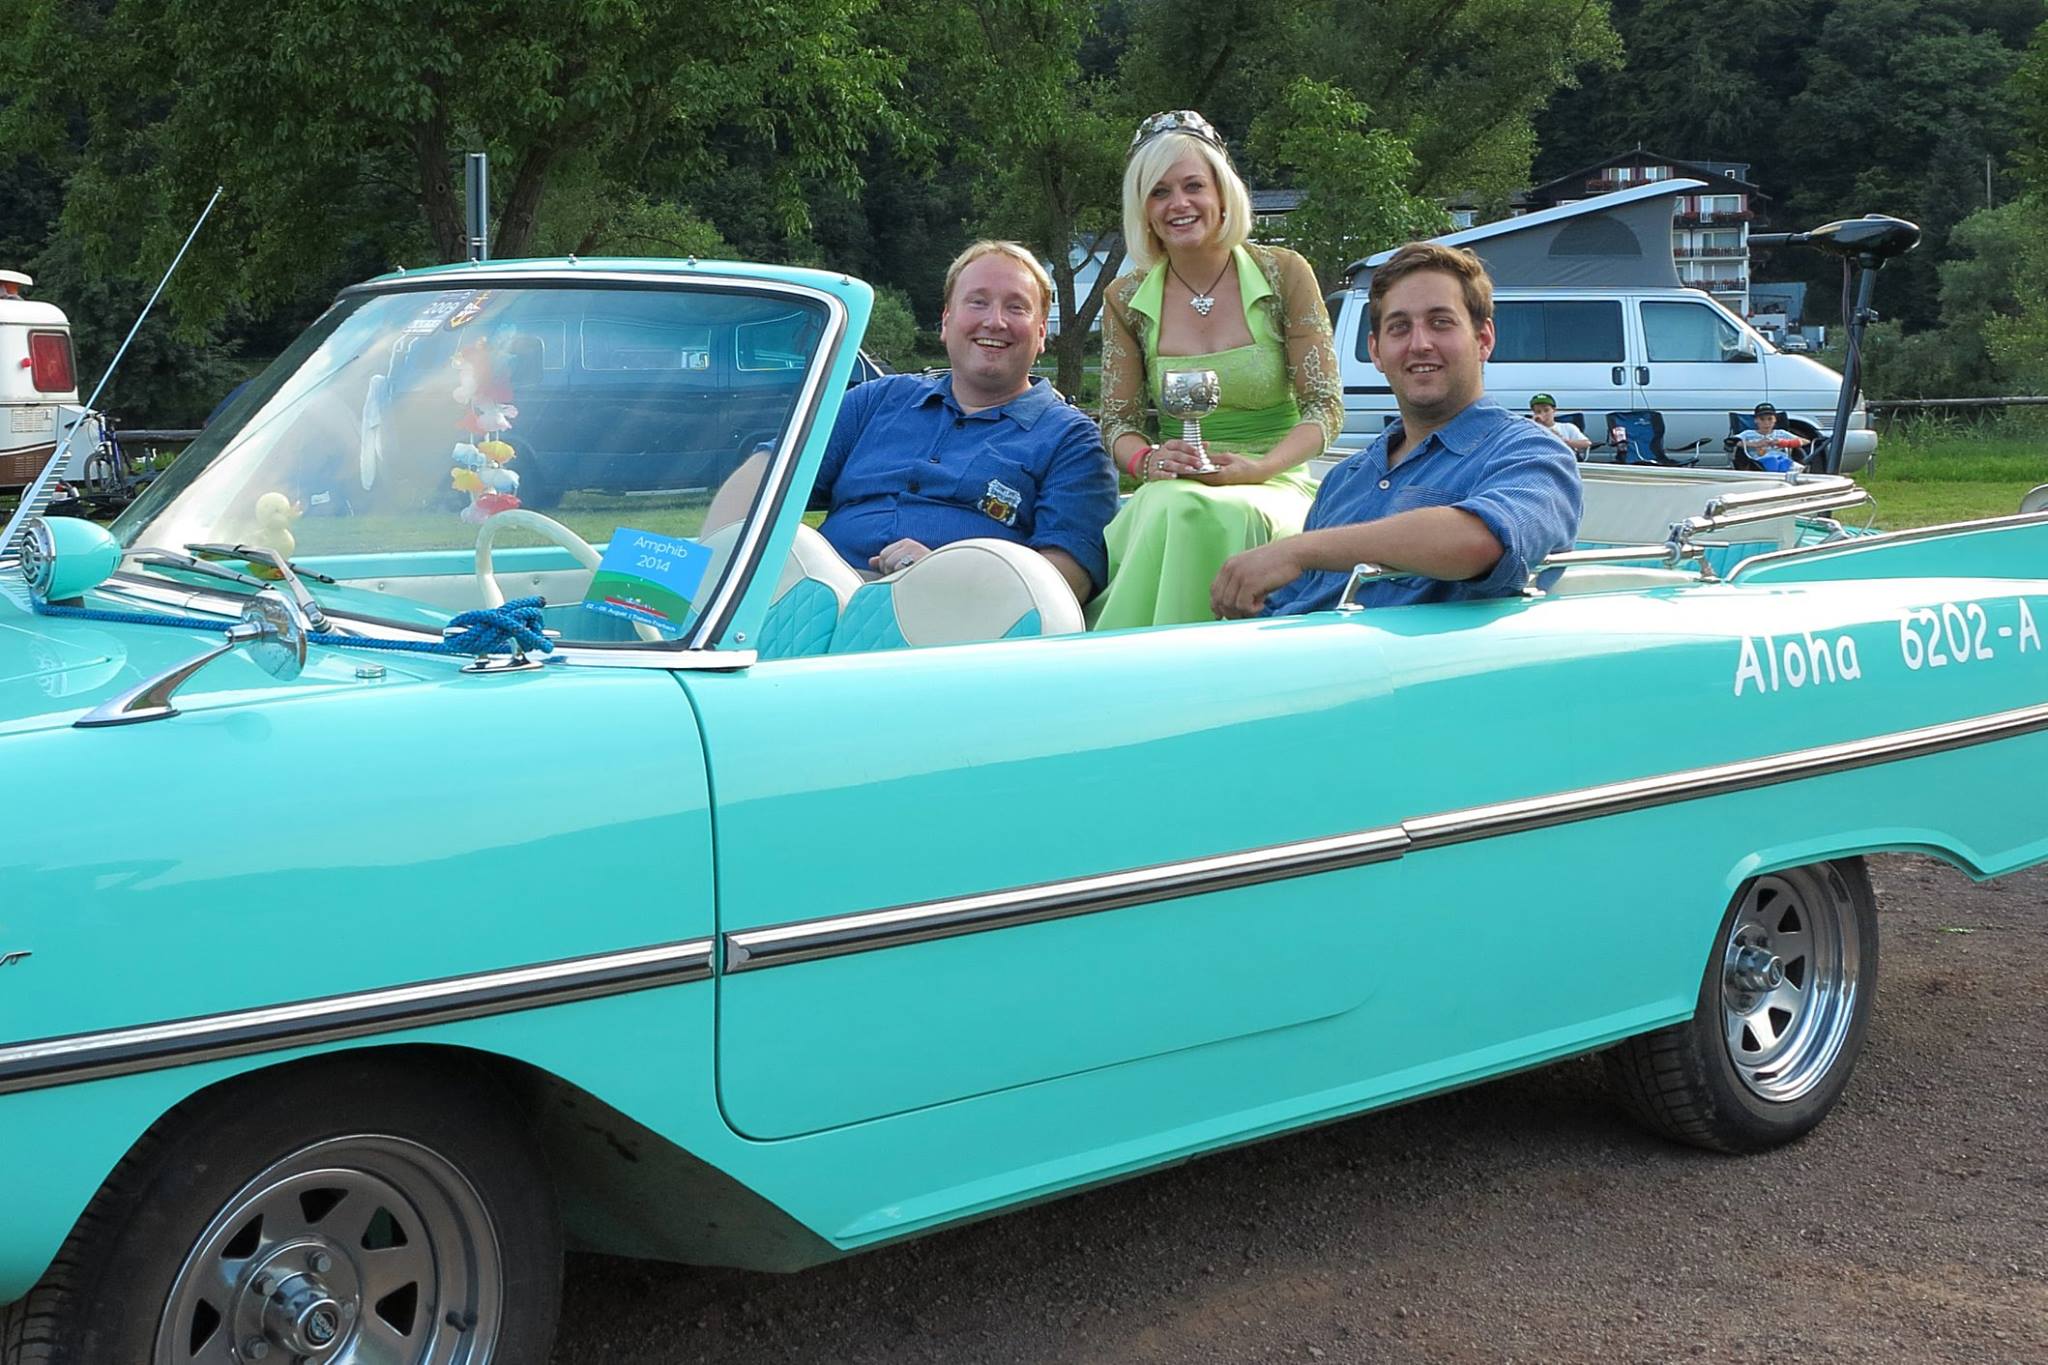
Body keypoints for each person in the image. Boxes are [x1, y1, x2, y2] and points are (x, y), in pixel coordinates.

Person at [1211, 243, 1581, 618]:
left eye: (1441, 322)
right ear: (1376, 351)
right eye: (1399, 328)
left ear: (1483, 339)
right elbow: (1286, 603)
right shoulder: (1345, 479)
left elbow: (1481, 542)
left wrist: (1296, 550)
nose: (1420, 344)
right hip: (1290, 661)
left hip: (1409, 672)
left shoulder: (1532, 453)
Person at [1088, 109, 1341, 629]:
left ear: (1223, 193)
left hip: (1275, 482)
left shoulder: (1285, 272)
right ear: (1143, 209)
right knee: (1171, 507)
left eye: (1192, 187)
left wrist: (1262, 467)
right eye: (1158, 192)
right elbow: (1117, 422)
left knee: (1228, 513)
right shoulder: (1125, 298)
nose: (1178, 205)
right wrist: (1148, 462)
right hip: (1173, 487)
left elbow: (1326, 407)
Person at [809, 241, 1118, 601]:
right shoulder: (876, 400)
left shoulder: (1072, 440)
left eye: (1016, 307)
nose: (995, 321)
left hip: (951, 624)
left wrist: (952, 577)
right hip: (815, 602)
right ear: (946, 322)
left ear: (1040, 336)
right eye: (978, 302)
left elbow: (1067, 579)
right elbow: (769, 475)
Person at [1731, 401, 1809, 471]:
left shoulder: (1781, 433)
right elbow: (1731, 442)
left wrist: (1783, 442)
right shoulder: (1748, 433)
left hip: (1782, 459)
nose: (1766, 423)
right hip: (1759, 462)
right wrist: (1755, 444)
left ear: (1775, 420)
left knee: (1785, 462)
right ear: (1755, 420)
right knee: (1773, 460)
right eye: (1762, 419)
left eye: (1770, 419)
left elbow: (1806, 441)